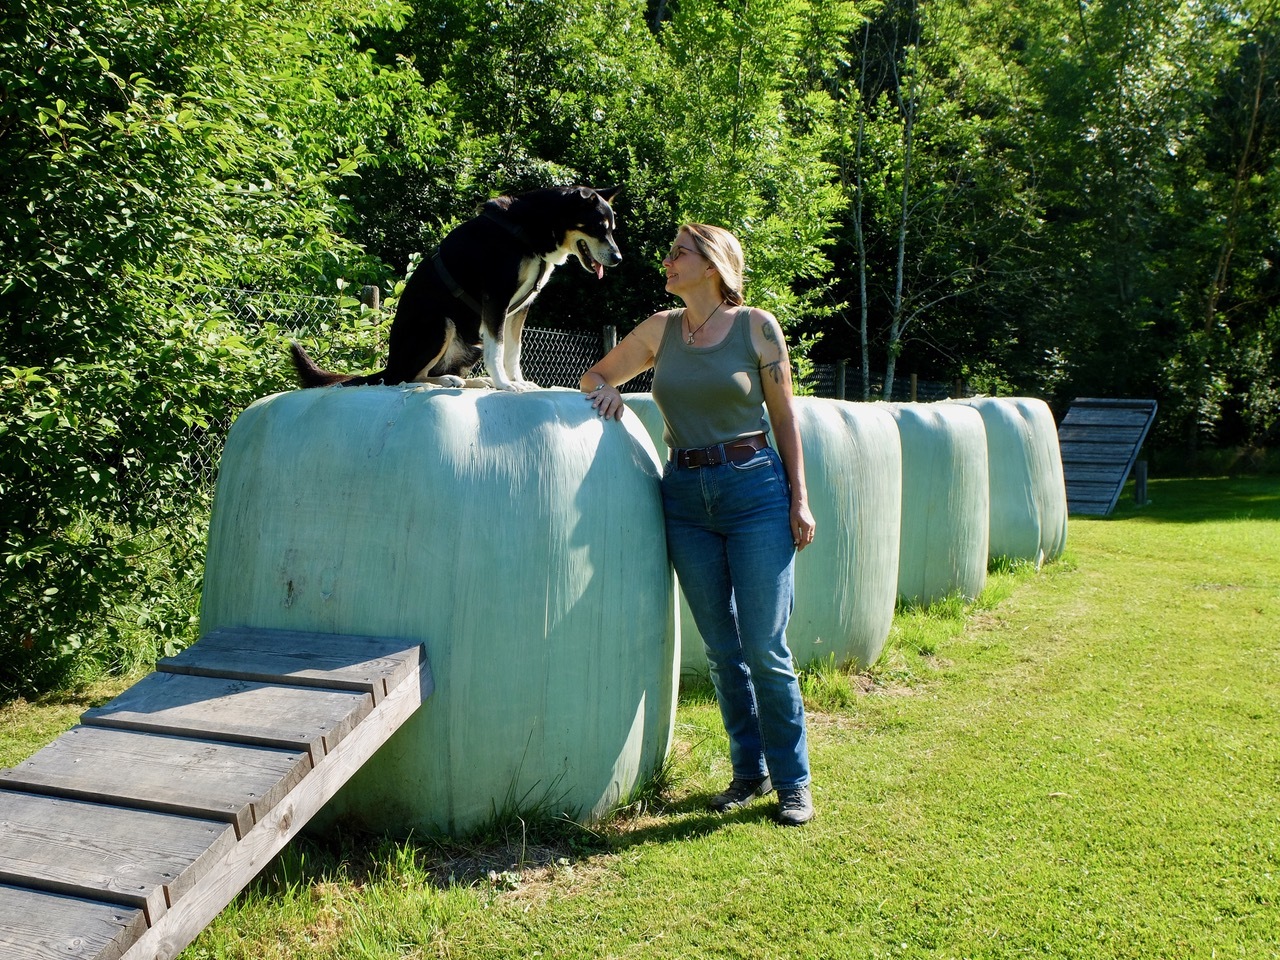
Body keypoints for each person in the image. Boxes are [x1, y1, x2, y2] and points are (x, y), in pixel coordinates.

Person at [579, 223, 816, 826]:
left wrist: (799, 499)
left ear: (712, 265)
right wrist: (608, 393)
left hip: (755, 490)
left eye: (678, 253)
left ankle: (793, 782)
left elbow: (785, 418)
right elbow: (596, 375)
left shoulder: (757, 327)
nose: (666, 261)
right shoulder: (660, 329)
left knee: (764, 646)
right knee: (723, 650)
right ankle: (748, 772)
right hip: (684, 496)